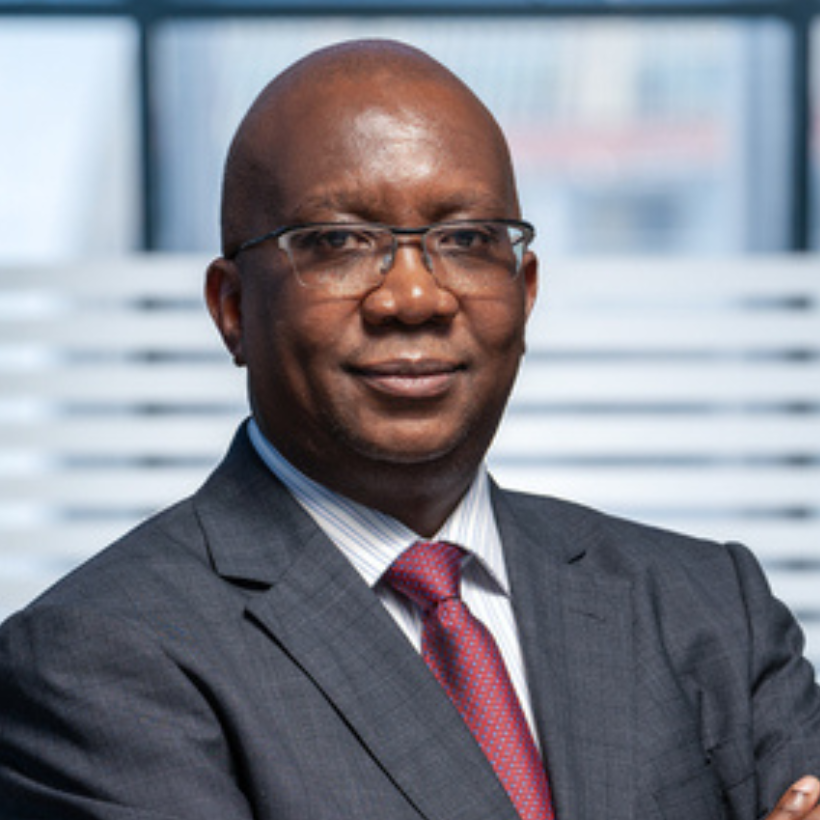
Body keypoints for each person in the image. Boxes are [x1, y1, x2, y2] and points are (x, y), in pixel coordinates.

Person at [1, 39, 819, 820]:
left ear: (526, 290)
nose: (415, 298)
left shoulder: (711, 607)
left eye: (464, 240)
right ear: (234, 308)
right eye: (339, 242)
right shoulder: (93, 662)